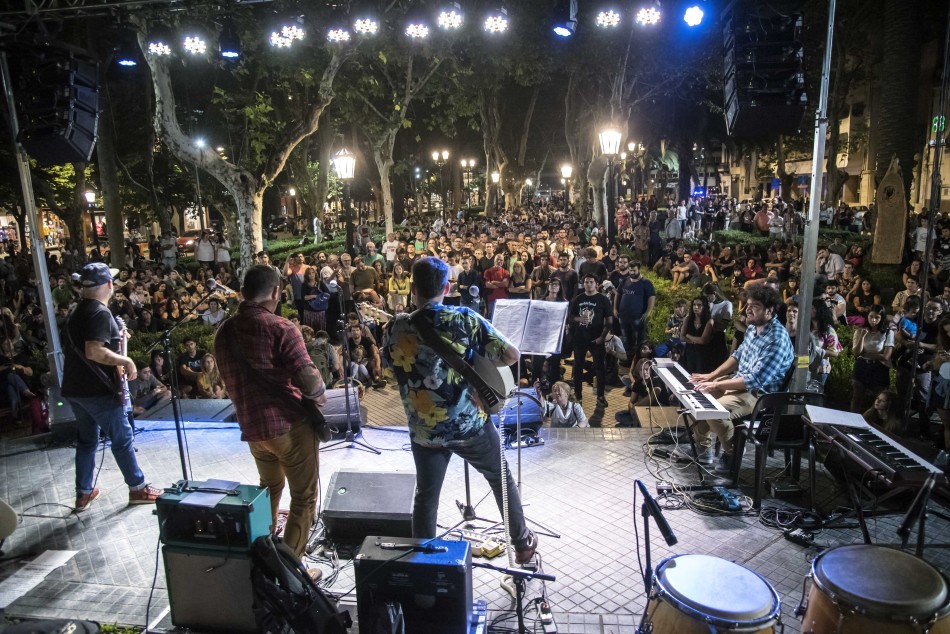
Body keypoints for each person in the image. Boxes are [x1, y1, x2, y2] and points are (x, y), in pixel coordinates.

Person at [381, 257, 538, 564]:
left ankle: (424, 562)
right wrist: (477, 364)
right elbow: (511, 354)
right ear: (447, 288)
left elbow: (390, 369)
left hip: (424, 430)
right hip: (468, 424)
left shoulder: (395, 327)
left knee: (426, 495)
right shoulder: (463, 319)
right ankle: (521, 544)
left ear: (413, 288)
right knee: (500, 478)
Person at [214, 264, 328, 558]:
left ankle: (262, 557)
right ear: (276, 292)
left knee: (269, 488)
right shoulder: (281, 328)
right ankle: (290, 572)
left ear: (242, 292)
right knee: (303, 498)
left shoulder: (223, 332)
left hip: (253, 430)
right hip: (289, 427)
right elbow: (309, 380)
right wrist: (319, 396)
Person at [61, 263, 162, 511]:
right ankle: (138, 488)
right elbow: (94, 351)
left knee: (87, 441)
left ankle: (84, 493)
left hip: (76, 389)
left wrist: (118, 342)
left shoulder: (77, 311)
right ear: (108, 284)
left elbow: (92, 346)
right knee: (122, 438)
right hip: (98, 391)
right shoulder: (99, 312)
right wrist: (126, 360)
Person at [685, 285, 795, 475]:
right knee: (697, 396)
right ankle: (703, 448)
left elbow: (755, 380)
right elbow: (737, 357)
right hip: (740, 382)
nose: (747, 310)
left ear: (769, 311)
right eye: (748, 305)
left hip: (760, 395)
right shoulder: (752, 328)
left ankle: (733, 453)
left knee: (714, 412)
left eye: (755, 306)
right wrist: (711, 376)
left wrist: (717, 383)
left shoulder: (777, 338)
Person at [568, 274, 613, 407]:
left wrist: (602, 337)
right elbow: (570, 317)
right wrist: (579, 319)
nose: (588, 284)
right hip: (580, 338)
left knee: (600, 368)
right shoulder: (578, 298)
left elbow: (609, 321)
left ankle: (600, 395)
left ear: (596, 284)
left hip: (596, 339)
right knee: (577, 367)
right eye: (586, 282)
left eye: (591, 282)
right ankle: (578, 395)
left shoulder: (603, 299)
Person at [850, 305, 894, 414]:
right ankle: (853, 420)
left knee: (879, 400)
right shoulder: (860, 331)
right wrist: (862, 336)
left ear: (882, 318)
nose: (873, 320)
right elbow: (856, 353)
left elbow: (886, 356)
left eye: (877, 317)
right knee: (857, 398)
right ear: (867, 316)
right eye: (871, 317)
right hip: (862, 366)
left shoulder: (887, 332)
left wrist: (865, 354)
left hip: (880, 368)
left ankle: (871, 420)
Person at [613, 258, 655, 353]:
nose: (632, 272)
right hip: (623, 316)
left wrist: (648, 312)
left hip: (638, 316)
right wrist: (615, 308)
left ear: (639, 269)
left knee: (639, 340)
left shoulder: (646, 282)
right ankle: (627, 357)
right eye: (630, 270)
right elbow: (618, 294)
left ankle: (637, 358)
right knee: (625, 339)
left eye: (634, 270)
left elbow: (652, 297)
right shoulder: (625, 281)